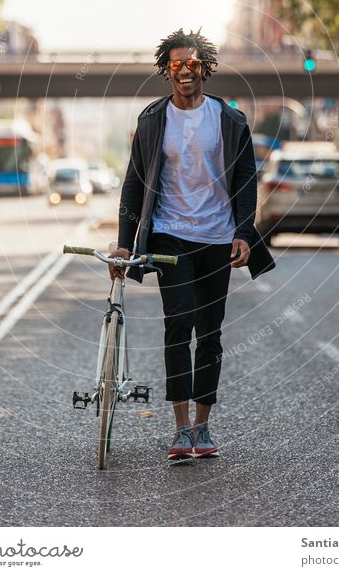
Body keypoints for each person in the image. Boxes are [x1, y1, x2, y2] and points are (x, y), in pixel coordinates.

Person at [109, 28, 275, 460]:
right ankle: (181, 429)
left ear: (205, 70)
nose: (186, 72)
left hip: (217, 238)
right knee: (178, 326)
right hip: (169, 237)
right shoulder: (152, 121)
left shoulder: (229, 120)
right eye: (177, 65)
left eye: (193, 65)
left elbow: (245, 180)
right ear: (167, 72)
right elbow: (134, 185)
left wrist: (242, 232)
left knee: (211, 334)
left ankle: (203, 427)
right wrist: (127, 244)